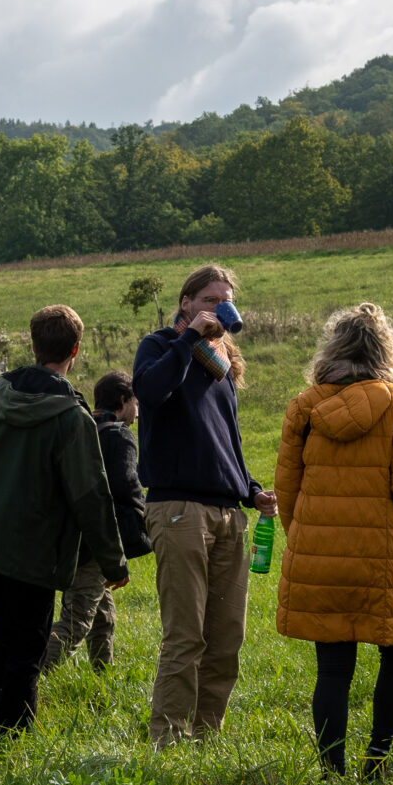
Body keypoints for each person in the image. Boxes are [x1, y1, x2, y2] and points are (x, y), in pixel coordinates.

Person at [0, 306, 129, 736]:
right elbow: (91, 496)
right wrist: (114, 564)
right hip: (34, 547)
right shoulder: (73, 418)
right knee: (29, 641)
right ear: (75, 350)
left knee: (0, 626)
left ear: (33, 344)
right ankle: (11, 734)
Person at [274, 304, 393, 777]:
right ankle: (378, 760)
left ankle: (332, 772)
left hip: (319, 557)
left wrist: (304, 538)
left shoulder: (304, 408)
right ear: (385, 351)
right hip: (385, 557)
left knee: (332, 669)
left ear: (333, 349)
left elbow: (286, 485)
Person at [133, 263, 278, 746]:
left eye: (226, 299)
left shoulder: (222, 364)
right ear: (187, 302)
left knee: (225, 640)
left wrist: (250, 488)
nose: (219, 307)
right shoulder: (159, 347)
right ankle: (167, 742)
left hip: (227, 513)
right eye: (210, 299)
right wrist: (187, 339)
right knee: (185, 637)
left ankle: (205, 739)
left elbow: (226, 440)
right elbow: (149, 392)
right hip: (178, 510)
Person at [41, 370, 149, 674]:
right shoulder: (118, 436)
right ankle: (28, 675)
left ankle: (104, 674)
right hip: (95, 542)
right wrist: (135, 536)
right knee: (76, 624)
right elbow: (126, 490)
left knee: (104, 617)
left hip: (69, 536)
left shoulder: (83, 427)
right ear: (124, 400)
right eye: (136, 403)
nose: (138, 412)